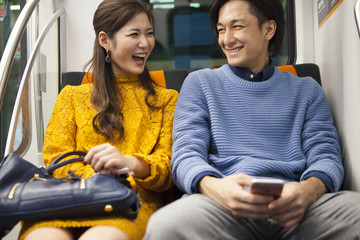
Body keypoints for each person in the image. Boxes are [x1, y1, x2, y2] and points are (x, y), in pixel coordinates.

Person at [144, 0, 360, 239]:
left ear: (268, 29)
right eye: (221, 29)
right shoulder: (200, 84)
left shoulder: (307, 90)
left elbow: (327, 156)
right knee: (166, 225)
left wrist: (305, 193)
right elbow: (185, 156)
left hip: (298, 209)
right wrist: (217, 188)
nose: (226, 39)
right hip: (222, 207)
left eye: (237, 27)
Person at [20, 0, 178, 239]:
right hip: (70, 200)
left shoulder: (166, 100)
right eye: (134, 34)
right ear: (105, 40)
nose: (145, 44)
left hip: (130, 203)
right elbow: (56, 161)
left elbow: (168, 170)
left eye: (149, 34)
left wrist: (130, 163)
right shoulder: (72, 97)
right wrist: (98, 177)